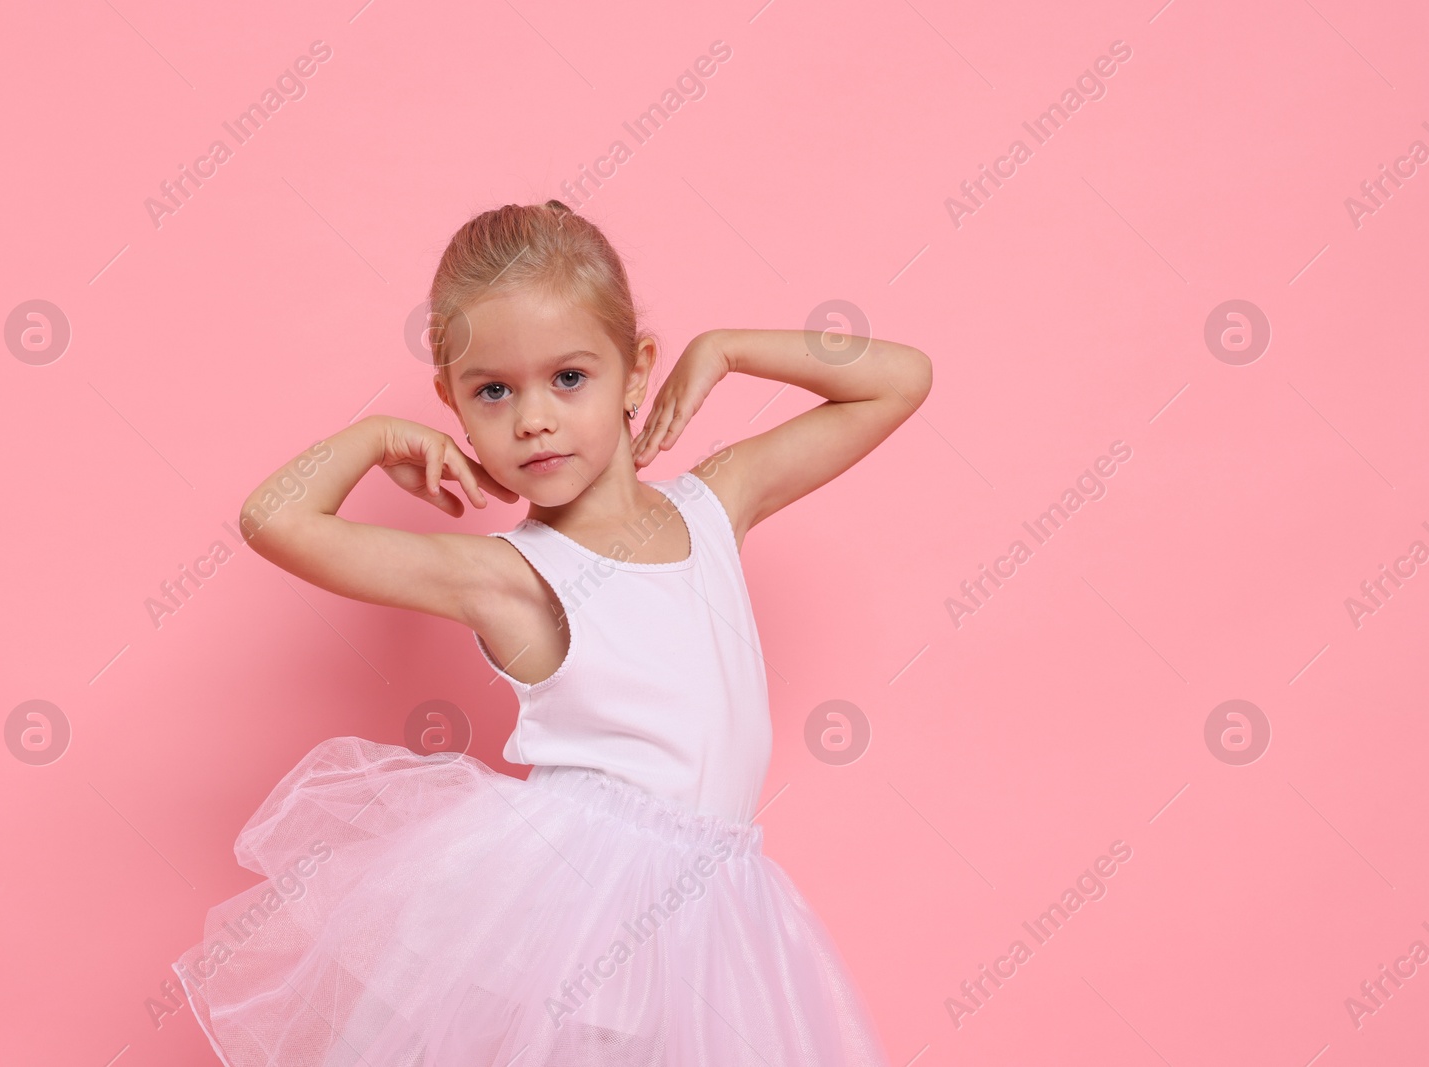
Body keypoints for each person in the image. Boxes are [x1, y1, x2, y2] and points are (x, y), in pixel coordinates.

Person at [172, 199, 931, 1064]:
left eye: (570, 377)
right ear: (453, 403)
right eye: (493, 390)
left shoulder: (718, 502)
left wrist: (725, 347)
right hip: (576, 907)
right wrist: (374, 435)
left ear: (635, 370)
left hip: (719, 907)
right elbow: (274, 518)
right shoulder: (510, 579)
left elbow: (899, 379)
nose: (533, 418)